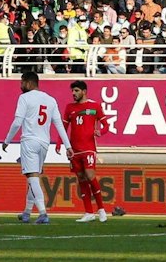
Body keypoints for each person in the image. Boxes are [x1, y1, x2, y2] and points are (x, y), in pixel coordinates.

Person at [1, 71, 67, 225]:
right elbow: (59, 124)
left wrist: (7, 140)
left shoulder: (24, 98)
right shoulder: (50, 100)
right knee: (33, 178)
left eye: (22, 82)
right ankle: (27, 212)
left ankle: (43, 213)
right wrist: (67, 145)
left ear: (29, 83)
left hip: (29, 141)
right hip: (44, 143)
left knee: (32, 177)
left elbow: (18, 122)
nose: (20, 86)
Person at [63, 79, 113, 223]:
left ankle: (102, 210)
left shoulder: (94, 106)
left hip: (89, 148)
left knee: (90, 176)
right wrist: (62, 144)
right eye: (72, 91)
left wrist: (100, 132)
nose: (73, 93)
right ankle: (88, 212)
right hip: (75, 149)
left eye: (76, 91)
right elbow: (65, 128)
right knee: (81, 179)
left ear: (84, 92)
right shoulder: (69, 107)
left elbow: (106, 125)